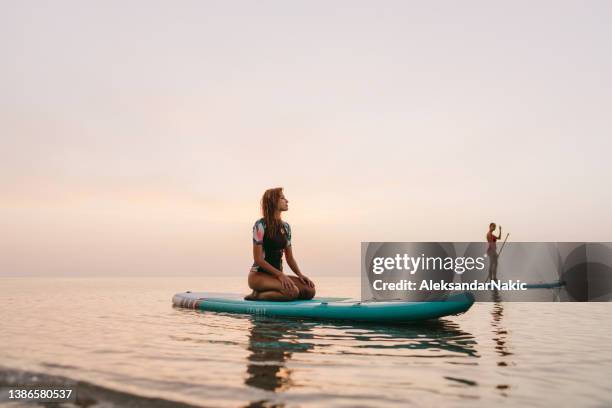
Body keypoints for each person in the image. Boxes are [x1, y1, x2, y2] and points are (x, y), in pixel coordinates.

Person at [245, 188, 316, 301]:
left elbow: (290, 258)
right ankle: (257, 295)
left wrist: (300, 275)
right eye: (282, 198)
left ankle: (271, 291)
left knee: (309, 290)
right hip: (258, 276)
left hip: (276, 276)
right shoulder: (260, 225)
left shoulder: (286, 227)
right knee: (292, 292)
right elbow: (258, 259)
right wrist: (280, 275)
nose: (287, 201)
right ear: (273, 201)